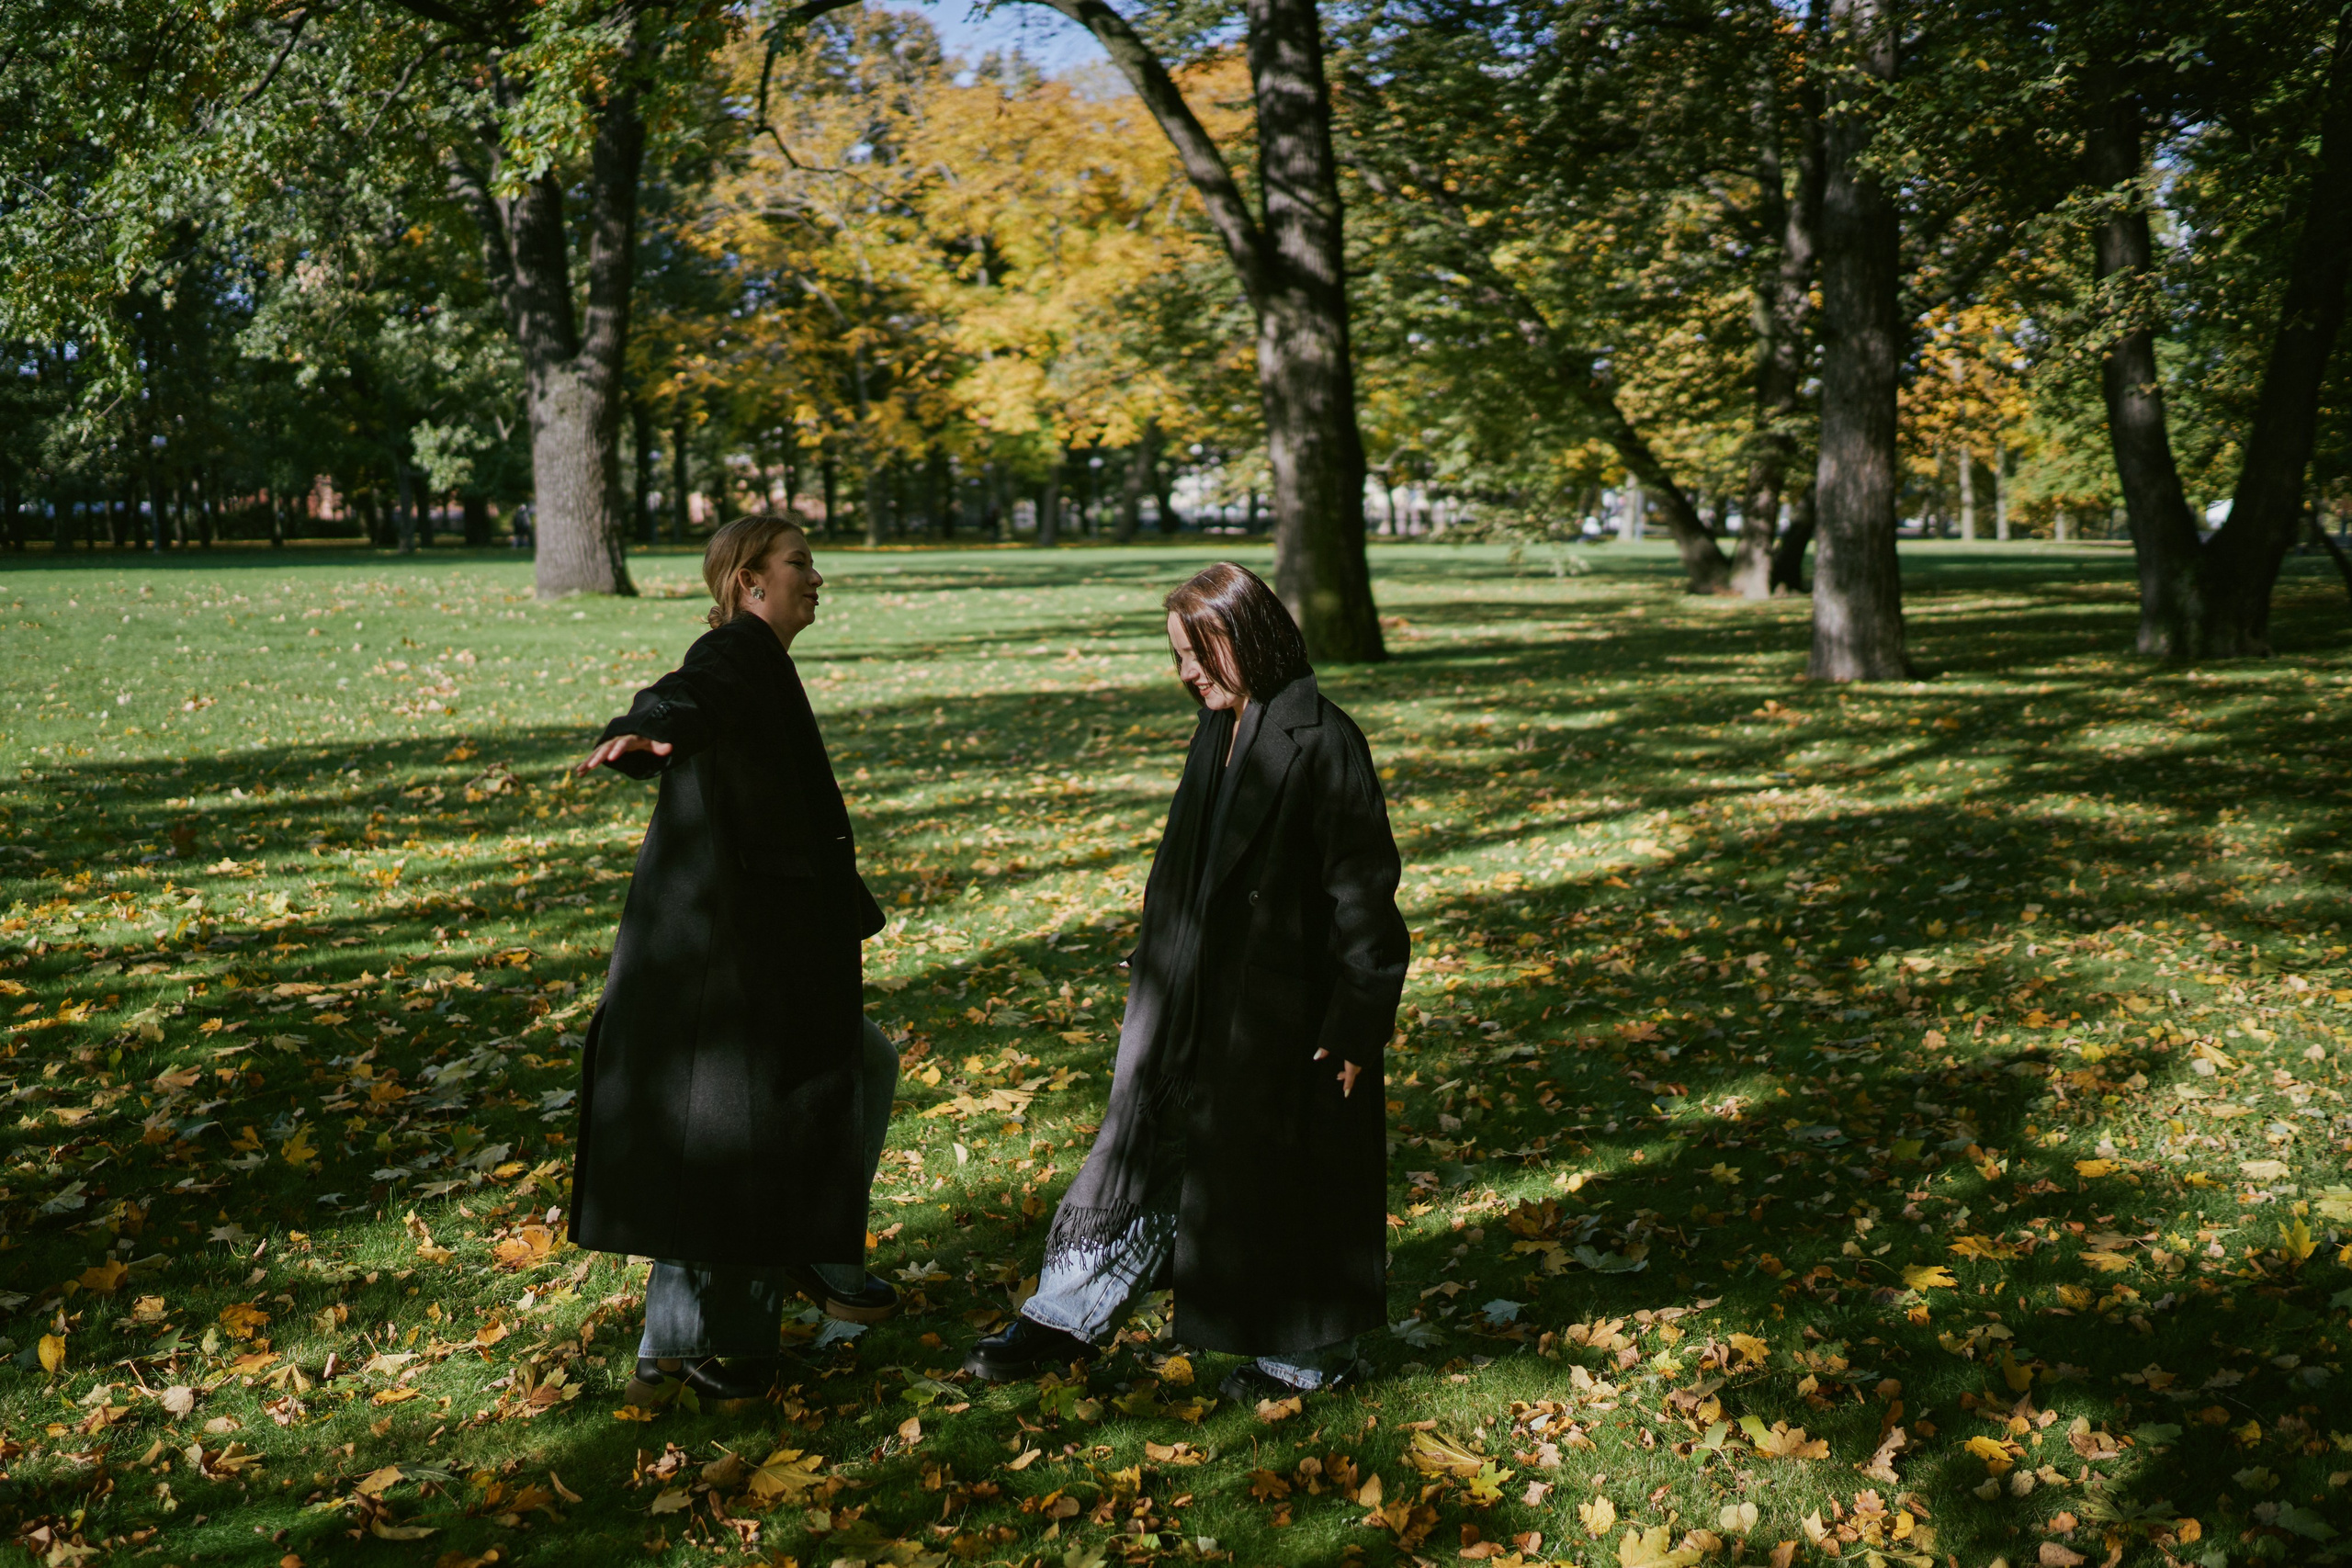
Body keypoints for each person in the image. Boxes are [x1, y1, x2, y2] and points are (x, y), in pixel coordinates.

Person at [964, 562, 1408, 1400]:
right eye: (1177, 654)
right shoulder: (1219, 727)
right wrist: (1162, 954)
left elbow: (1365, 895)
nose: (1187, 671)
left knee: (1286, 1187)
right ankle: (1065, 1315)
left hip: (1290, 1019)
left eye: (1200, 652)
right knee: (1140, 1147)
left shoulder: (1322, 738)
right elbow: (1195, 863)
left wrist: (1358, 1021)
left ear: (1252, 637)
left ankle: (1309, 1358)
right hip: (1193, 1000)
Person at [568, 514, 899, 1405]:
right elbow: (688, 694)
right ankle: (726, 1339)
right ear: (749, 581)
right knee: (747, 1126)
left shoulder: (762, 660)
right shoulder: (736, 653)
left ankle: (690, 1342)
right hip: (722, 958)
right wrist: (647, 728)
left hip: (739, 947)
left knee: (745, 1119)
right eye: (799, 563)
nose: (816, 577)